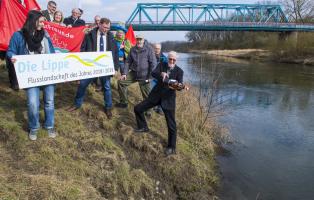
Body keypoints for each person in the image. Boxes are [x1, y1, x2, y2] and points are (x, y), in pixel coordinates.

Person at [6, 10, 56, 141]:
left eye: (43, 22)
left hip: (48, 74)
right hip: (30, 76)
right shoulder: (19, 35)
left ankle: (49, 125)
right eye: (40, 22)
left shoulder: (45, 35)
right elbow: (10, 51)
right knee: (33, 103)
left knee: (49, 101)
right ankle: (34, 127)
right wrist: (12, 57)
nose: (43, 24)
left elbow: (52, 51)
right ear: (32, 21)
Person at [134, 51, 184, 156]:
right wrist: (161, 74)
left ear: (176, 60)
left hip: (168, 99)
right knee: (138, 108)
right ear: (168, 58)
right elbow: (153, 73)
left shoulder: (180, 71)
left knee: (171, 124)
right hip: (155, 96)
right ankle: (143, 127)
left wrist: (178, 85)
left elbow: (179, 87)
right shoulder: (162, 65)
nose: (172, 61)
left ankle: (172, 147)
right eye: (170, 59)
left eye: (174, 60)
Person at [67, 18, 119, 119]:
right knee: (82, 84)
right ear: (99, 24)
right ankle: (77, 104)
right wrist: (82, 64)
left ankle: (108, 107)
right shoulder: (89, 35)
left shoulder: (111, 37)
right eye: (104, 27)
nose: (106, 30)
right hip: (90, 66)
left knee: (107, 87)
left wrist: (115, 67)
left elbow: (115, 53)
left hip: (105, 67)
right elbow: (82, 49)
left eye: (108, 28)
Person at [116, 34, 156, 110]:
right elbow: (128, 62)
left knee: (146, 95)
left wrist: (150, 76)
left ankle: (148, 111)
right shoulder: (132, 49)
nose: (139, 41)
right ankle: (124, 102)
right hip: (134, 73)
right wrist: (124, 73)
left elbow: (153, 64)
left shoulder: (149, 49)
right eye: (137, 39)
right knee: (121, 82)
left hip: (145, 75)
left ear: (143, 40)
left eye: (140, 39)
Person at [152, 43, 167, 114]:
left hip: (160, 78)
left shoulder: (164, 58)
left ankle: (160, 108)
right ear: (153, 48)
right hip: (152, 78)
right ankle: (153, 106)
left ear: (160, 49)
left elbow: (167, 68)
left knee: (162, 93)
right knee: (152, 91)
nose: (157, 50)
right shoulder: (150, 56)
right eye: (155, 48)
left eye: (158, 48)